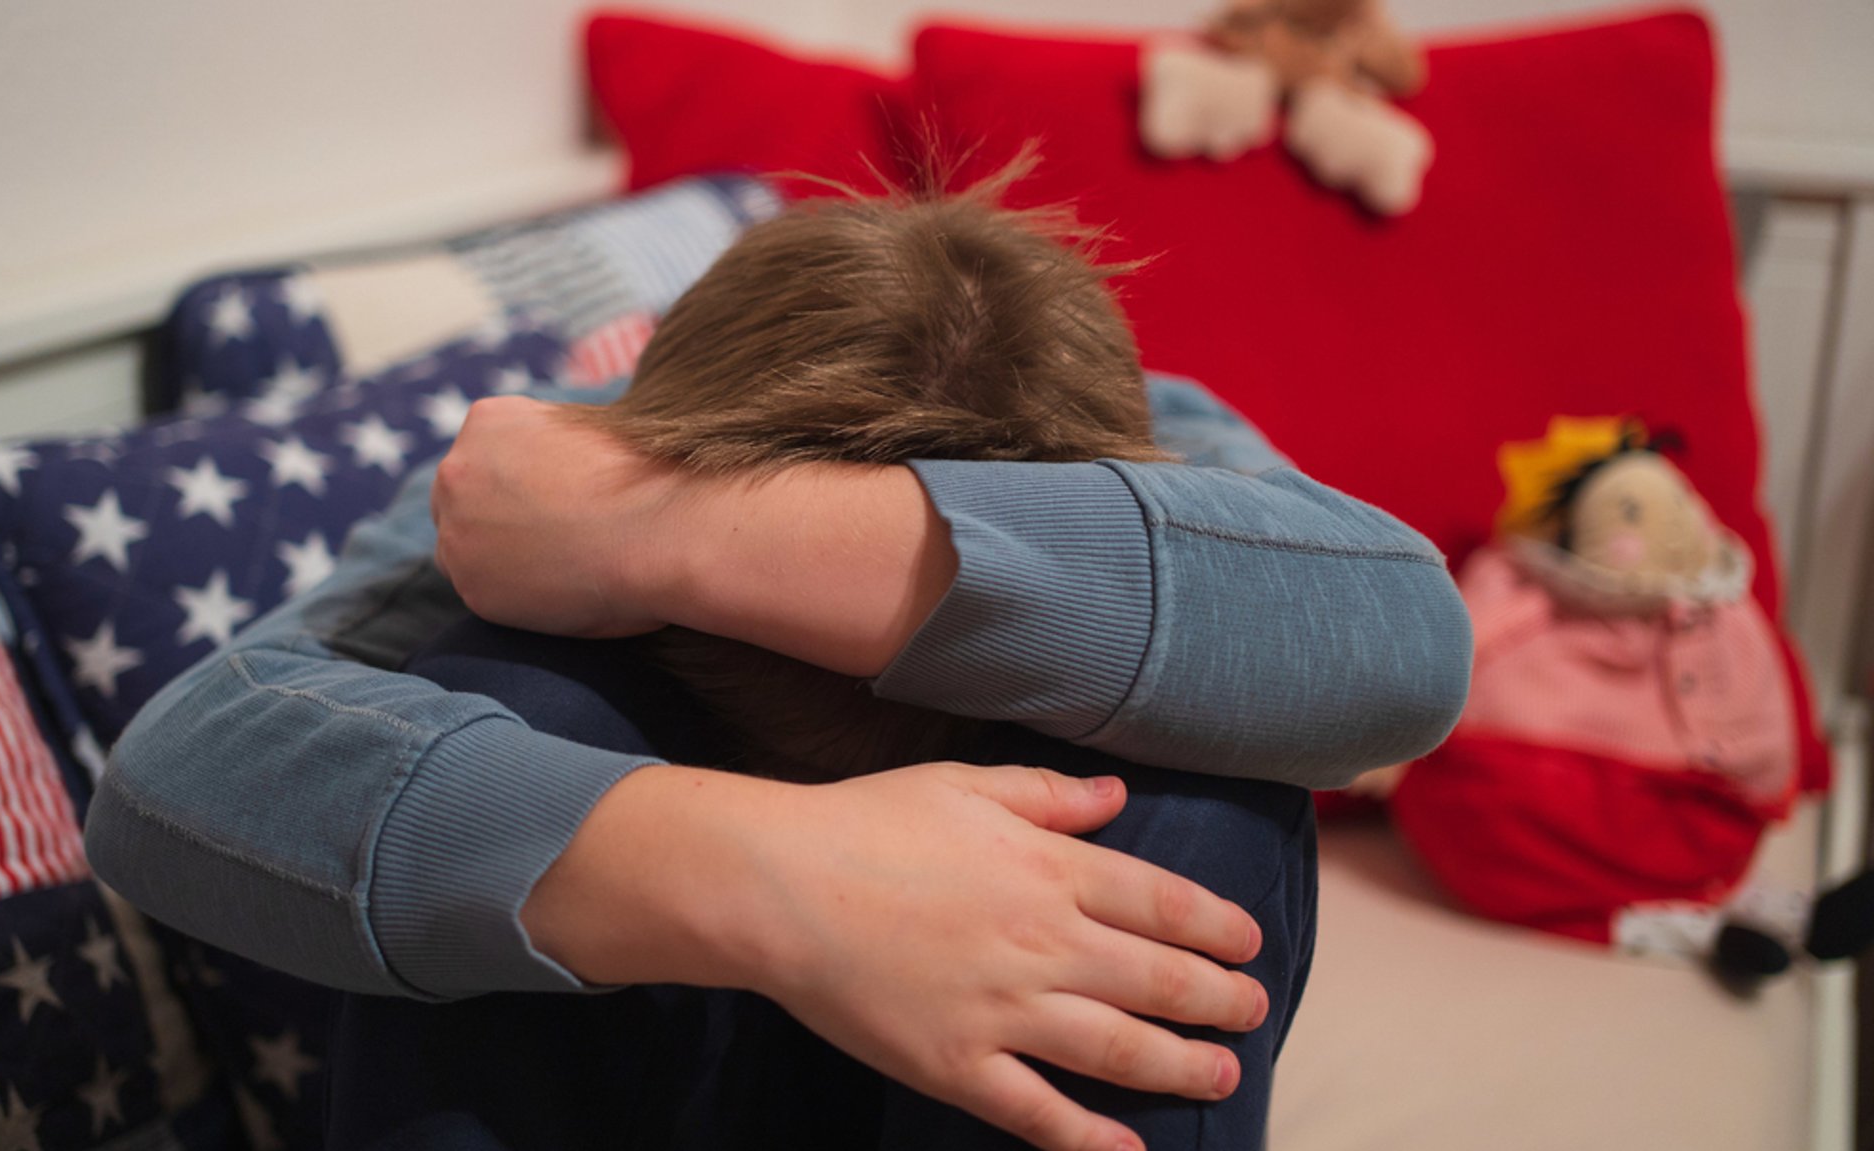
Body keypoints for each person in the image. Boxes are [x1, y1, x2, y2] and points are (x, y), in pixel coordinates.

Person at [87, 172, 1472, 1151]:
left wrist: (657, 531)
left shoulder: (1168, 438)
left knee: (1196, 799)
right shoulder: (552, 456)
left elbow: (1407, 651)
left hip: (1020, 1044)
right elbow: (176, 771)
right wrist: (782, 877)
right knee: (506, 684)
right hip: (634, 1015)